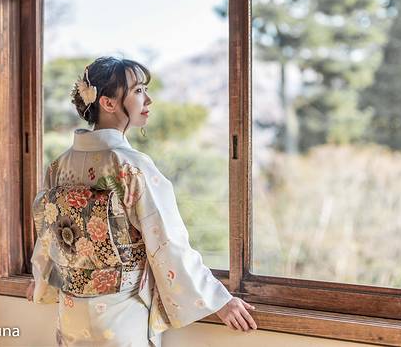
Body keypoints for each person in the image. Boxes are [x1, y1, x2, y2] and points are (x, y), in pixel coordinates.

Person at [26, 56, 257, 346]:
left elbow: (48, 236)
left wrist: (41, 280)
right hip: (121, 312)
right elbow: (167, 243)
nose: (148, 99)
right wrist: (219, 300)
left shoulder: (58, 166)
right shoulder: (131, 167)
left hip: (71, 312)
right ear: (108, 103)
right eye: (137, 91)